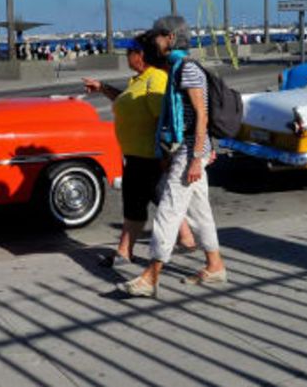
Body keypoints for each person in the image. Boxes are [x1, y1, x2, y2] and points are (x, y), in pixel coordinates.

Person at [118, 16, 227, 298]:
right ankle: (215, 266)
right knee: (200, 211)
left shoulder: (187, 69)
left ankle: (150, 276)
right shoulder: (178, 67)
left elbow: (201, 115)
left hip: (190, 151)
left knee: (168, 209)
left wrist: (194, 157)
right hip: (188, 150)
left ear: (168, 37)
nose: (153, 42)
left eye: (156, 37)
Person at [83, 34, 196, 267]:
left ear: (141, 55)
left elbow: (163, 120)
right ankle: (186, 238)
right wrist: (102, 87)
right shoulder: (139, 80)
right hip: (137, 155)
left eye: (129, 52)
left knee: (135, 205)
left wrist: (165, 155)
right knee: (159, 198)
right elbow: (127, 100)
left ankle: (124, 253)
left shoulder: (155, 79)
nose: (126, 57)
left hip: (148, 156)